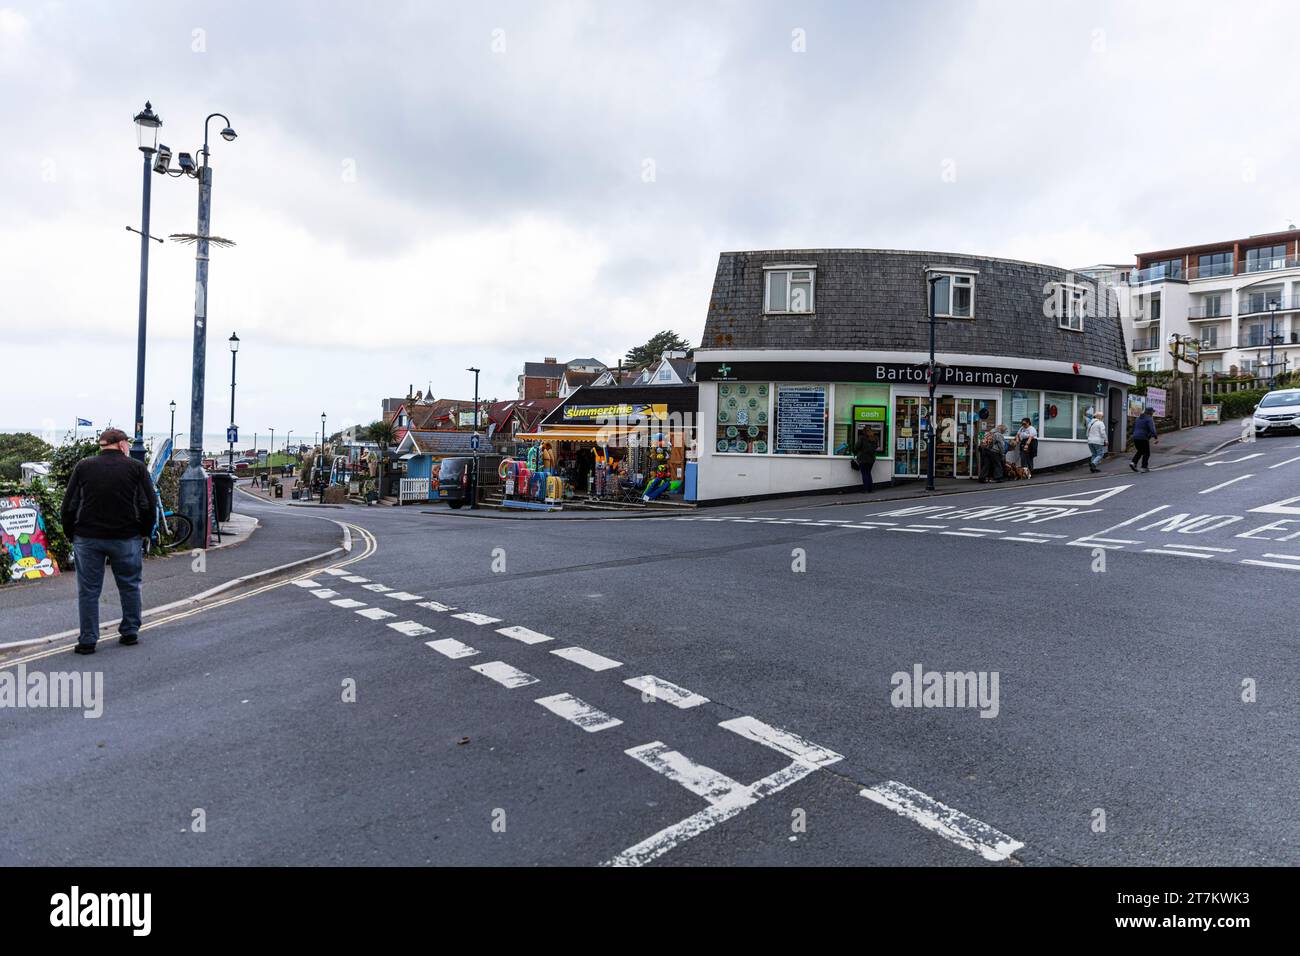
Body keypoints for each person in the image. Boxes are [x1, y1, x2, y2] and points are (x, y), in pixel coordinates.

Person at [59, 428, 155, 654]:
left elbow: (69, 505)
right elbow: (148, 505)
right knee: (130, 584)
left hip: (88, 537)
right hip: (126, 537)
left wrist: (71, 533)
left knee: (89, 590)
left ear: (103, 444)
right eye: (127, 445)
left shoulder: (84, 467)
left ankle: (88, 640)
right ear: (122, 444)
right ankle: (130, 631)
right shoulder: (136, 468)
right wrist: (144, 531)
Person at [1130, 407, 1159, 472]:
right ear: (1150, 412)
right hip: (1143, 437)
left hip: (1135, 437)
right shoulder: (1149, 419)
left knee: (1140, 451)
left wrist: (1134, 434)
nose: (1153, 413)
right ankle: (1144, 467)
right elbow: (1152, 429)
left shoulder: (1138, 418)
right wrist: (1155, 438)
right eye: (1152, 412)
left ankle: (1133, 462)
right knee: (1146, 453)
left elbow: (1133, 427)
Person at [854, 426, 878, 492]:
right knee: (868, 473)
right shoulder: (875, 438)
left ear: (864, 431)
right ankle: (870, 489)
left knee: (864, 474)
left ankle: (865, 489)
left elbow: (856, 447)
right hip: (871, 459)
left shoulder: (862, 438)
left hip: (863, 459)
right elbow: (876, 447)